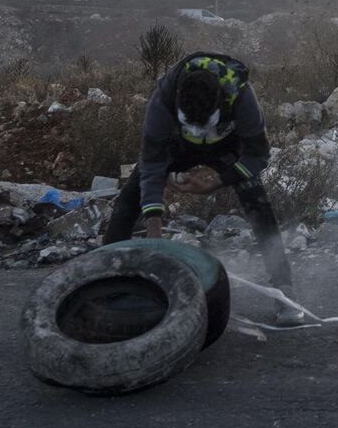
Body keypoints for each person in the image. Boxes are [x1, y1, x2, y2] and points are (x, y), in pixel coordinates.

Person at [104, 52, 307, 326]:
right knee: (128, 202)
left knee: (258, 203)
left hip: (225, 149)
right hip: (177, 148)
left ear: (221, 105)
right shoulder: (162, 100)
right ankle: (104, 282)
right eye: (192, 125)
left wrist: (220, 179)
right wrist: (154, 228)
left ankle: (285, 291)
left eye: (205, 125)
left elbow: (259, 155)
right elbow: (152, 163)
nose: (198, 131)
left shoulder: (242, 97)